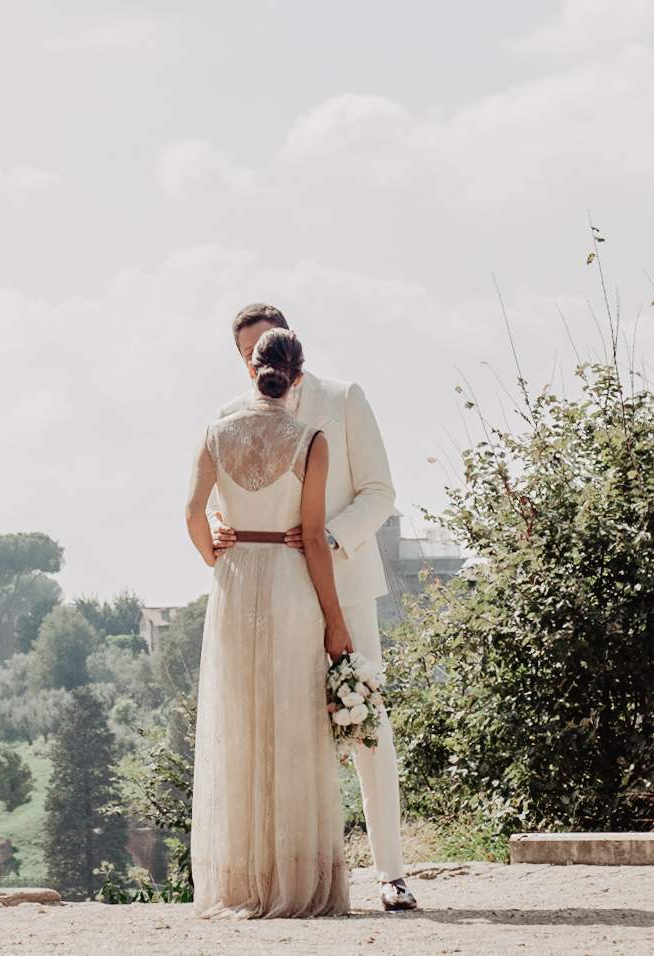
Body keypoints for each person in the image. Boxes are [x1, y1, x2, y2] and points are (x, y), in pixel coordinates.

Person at [211, 303, 417, 912]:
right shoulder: (226, 421)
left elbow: (380, 491)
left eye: (271, 351)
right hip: (266, 600)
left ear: (293, 346)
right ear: (241, 359)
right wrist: (221, 525)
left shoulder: (344, 398)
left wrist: (328, 538)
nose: (263, 364)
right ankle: (288, 876)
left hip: (344, 590)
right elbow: (219, 500)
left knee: (365, 726)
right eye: (252, 355)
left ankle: (392, 872)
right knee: (273, 732)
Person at [185, 325, 349, 918]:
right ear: (297, 378)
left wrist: (217, 552)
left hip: (234, 584)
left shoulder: (214, 433)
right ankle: (294, 881)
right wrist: (336, 622)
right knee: (292, 724)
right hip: (287, 583)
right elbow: (311, 537)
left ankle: (242, 883)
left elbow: (191, 515)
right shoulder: (310, 439)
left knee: (241, 722)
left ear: (251, 371)